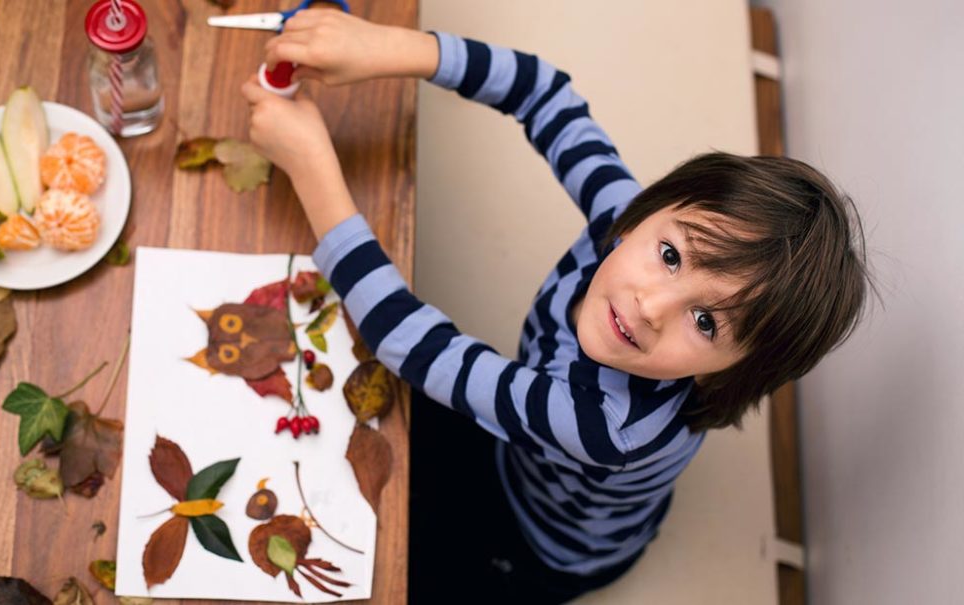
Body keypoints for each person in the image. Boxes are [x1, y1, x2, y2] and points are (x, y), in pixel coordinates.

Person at [241, 9, 870, 604]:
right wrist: (390, 48)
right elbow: (545, 95)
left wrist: (313, 169)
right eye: (672, 256)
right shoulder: (624, 221)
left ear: (728, 372)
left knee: (395, 573)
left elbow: (411, 342)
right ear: (651, 209)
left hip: (537, 542)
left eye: (706, 322)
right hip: (528, 449)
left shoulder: (606, 426)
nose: (651, 304)